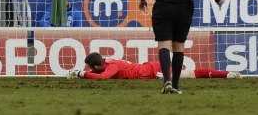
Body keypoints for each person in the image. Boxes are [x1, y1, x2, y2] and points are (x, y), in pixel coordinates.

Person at [67, 52, 241, 80]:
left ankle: (227, 74)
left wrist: (82, 75)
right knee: (191, 74)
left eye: (90, 68)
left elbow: (103, 77)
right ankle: (227, 74)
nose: (90, 70)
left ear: (96, 66)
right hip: (152, 67)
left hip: (154, 72)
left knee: (191, 75)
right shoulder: (108, 62)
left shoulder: (112, 68)